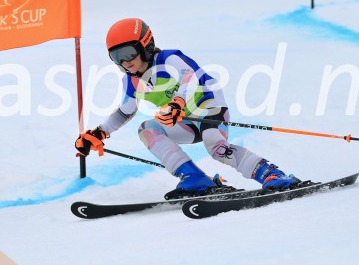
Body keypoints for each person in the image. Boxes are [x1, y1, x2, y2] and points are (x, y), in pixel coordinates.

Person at [75, 18, 303, 199]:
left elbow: (189, 78)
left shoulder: (170, 59)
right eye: (116, 57)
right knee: (146, 129)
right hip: (184, 120)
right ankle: (194, 177)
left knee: (216, 147)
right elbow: (125, 112)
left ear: (145, 45)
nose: (124, 62)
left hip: (209, 106)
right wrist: (98, 133)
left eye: (128, 53)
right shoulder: (132, 81)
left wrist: (178, 103)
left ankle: (272, 175)